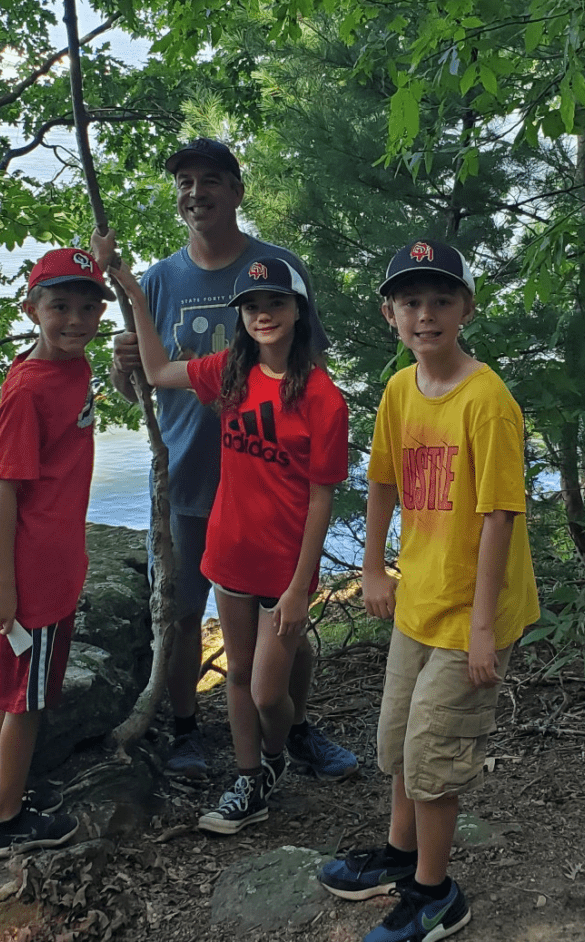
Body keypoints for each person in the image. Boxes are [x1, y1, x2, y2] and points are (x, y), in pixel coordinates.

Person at [98, 137, 357, 784]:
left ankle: (296, 730)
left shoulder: (276, 268)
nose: (196, 193)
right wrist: (118, 368)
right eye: (184, 182)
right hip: (188, 481)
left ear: (236, 191)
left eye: (210, 180)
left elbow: (312, 375)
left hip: (274, 488)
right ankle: (187, 730)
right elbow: (143, 385)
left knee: (285, 621)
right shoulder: (158, 281)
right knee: (185, 613)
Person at [317, 240, 540, 940]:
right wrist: (374, 567)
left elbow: (500, 514)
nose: (425, 314)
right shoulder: (398, 390)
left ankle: (437, 895)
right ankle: (397, 856)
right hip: (421, 600)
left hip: (475, 610)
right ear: (391, 315)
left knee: (435, 759)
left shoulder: (487, 399)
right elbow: (382, 478)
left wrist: (481, 629)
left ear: (466, 309)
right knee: (398, 745)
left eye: (441, 299)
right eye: (411, 301)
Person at [0, 247, 112, 857]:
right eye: (59, 307)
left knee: (8, 689)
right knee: (26, 699)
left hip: (52, 559)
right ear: (31, 308)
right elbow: (3, 488)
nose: (75, 320)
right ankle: (7, 825)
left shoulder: (67, 367)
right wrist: (6, 583)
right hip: (37, 572)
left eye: (87, 308)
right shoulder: (28, 389)